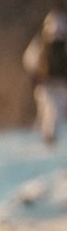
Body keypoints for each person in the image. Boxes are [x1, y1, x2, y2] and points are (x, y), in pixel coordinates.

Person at [22, 10, 67, 145]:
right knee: (55, 111)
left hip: (45, 83)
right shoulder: (63, 43)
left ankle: (47, 136)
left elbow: (28, 60)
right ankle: (49, 136)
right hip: (60, 84)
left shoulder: (40, 42)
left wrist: (34, 76)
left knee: (48, 110)